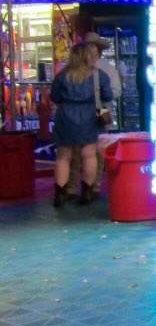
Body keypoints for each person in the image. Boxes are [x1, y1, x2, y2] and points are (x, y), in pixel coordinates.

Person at [50, 41, 113, 207]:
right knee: (89, 155)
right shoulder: (99, 75)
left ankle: (60, 193)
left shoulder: (63, 75)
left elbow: (55, 97)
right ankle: (87, 192)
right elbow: (107, 95)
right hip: (90, 116)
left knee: (63, 157)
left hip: (65, 117)